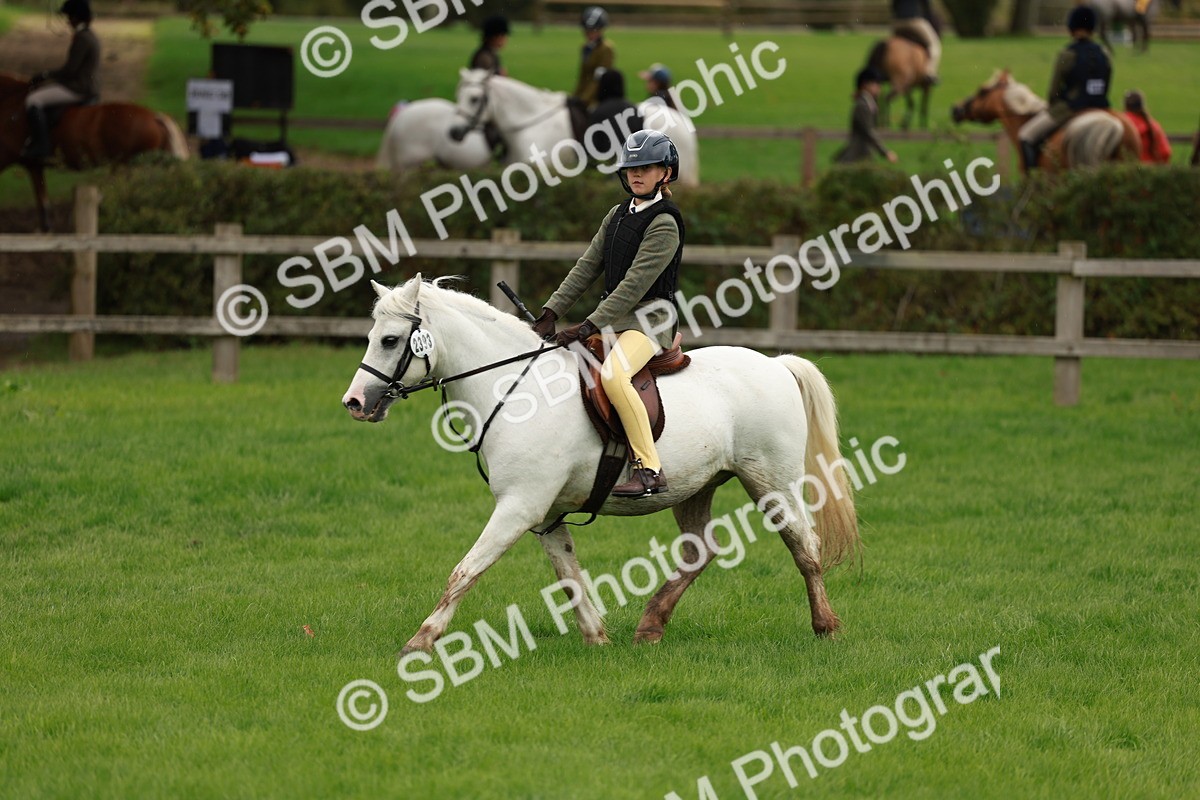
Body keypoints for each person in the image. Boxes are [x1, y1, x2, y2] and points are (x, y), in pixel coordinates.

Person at [531, 130, 683, 497]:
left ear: (665, 173)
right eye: (631, 168)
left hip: (650, 321)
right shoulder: (616, 215)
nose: (636, 174)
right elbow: (586, 267)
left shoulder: (665, 223)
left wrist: (588, 326)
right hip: (616, 319)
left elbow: (632, 287)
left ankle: (650, 469)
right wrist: (551, 310)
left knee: (615, 376)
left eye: (646, 168)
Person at [1017, 5, 1112, 173]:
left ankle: (1033, 181)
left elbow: (1054, 90)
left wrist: (1053, 105)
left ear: (1072, 28)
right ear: (1092, 28)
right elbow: (1106, 83)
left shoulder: (1066, 54)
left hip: (1071, 108)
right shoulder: (1104, 53)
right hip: (1101, 106)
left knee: (1025, 135)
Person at [21, 0, 99, 162]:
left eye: (69, 17)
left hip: (78, 88)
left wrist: (45, 75)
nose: (67, 21)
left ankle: (42, 145)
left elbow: (70, 70)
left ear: (75, 17)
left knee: (33, 99)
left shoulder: (82, 38)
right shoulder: (89, 35)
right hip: (86, 85)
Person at [835, 68, 898, 164]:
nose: (879, 87)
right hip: (857, 156)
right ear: (865, 85)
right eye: (876, 84)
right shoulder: (863, 106)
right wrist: (885, 152)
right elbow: (869, 131)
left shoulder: (869, 103)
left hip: (864, 154)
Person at [587, 69, 642, 159]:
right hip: (632, 161)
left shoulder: (598, 112)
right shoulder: (633, 109)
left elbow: (592, 145)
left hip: (606, 163)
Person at [573, 6, 615, 110]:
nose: (590, 34)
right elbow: (583, 76)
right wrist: (575, 96)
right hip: (583, 96)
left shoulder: (606, 49)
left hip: (598, 98)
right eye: (587, 31)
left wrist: (584, 100)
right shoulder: (585, 47)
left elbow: (598, 78)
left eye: (594, 31)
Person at [891, 0, 940, 84]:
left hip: (897, 22)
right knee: (934, 44)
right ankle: (929, 72)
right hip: (914, 21)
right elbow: (927, 8)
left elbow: (894, 6)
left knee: (889, 45)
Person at [1123, 90, 1172, 164]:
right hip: (1150, 169)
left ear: (1126, 105)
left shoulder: (1122, 124)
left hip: (1127, 169)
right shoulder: (1153, 125)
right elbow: (1165, 152)